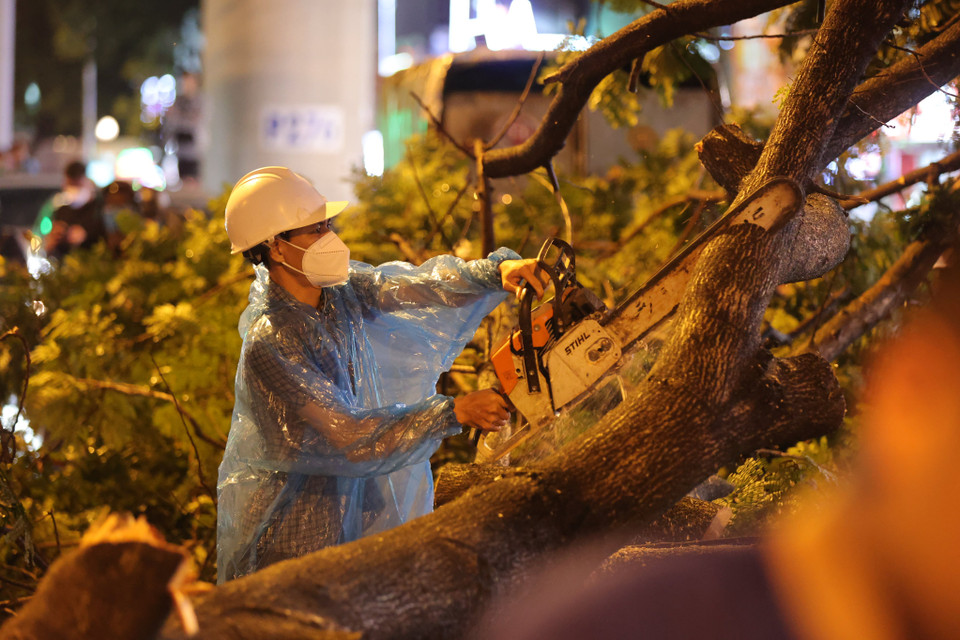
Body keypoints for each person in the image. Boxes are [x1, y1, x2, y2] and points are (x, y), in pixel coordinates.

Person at [217, 166, 546, 583]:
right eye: (313, 230)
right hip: (291, 541)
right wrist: (452, 413)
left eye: (327, 224)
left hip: (349, 526)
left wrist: (494, 274)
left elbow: (416, 285)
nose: (329, 238)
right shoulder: (273, 342)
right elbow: (348, 438)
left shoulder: (339, 294)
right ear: (275, 248)